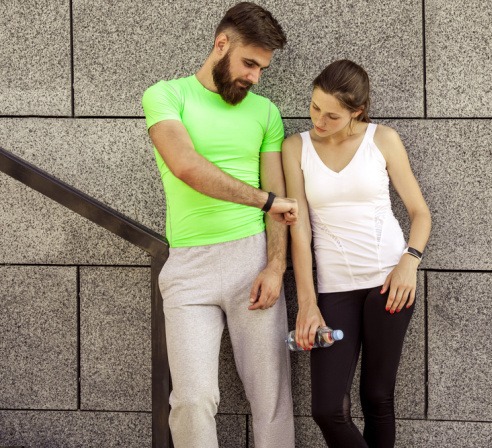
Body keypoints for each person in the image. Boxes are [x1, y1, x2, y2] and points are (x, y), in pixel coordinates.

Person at [141, 3, 296, 447]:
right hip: (189, 267)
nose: (254, 77)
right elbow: (186, 165)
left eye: (262, 68)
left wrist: (275, 265)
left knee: (271, 399)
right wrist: (265, 200)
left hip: (252, 260)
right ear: (221, 43)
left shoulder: (265, 112)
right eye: (249, 63)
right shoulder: (166, 96)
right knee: (191, 398)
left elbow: (279, 201)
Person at [283, 59, 432, 447]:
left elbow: (420, 213)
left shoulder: (382, 140)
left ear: (357, 112)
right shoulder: (295, 147)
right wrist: (307, 303)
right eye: (315, 107)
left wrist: (409, 262)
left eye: (332, 115)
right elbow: (299, 230)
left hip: (389, 283)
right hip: (333, 291)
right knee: (327, 409)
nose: (319, 119)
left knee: (377, 397)